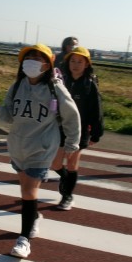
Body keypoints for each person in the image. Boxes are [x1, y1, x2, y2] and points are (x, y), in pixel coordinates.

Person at [0, 44, 80, 259]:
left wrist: (72, 144)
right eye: (28, 58)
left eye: (38, 58)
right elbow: (8, 116)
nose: (32, 62)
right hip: (18, 146)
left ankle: (24, 239)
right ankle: (34, 216)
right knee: (26, 191)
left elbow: (72, 116)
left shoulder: (55, 89)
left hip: (42, 148)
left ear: (47, 64)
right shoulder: (18, 85)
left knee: (28, 192)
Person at [50, 46, 104, 210]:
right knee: (55, 164)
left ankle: (67, 196)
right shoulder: (62, 80)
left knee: (72, 164)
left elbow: (97, 110)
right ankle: (66, 179)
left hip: (80, 130)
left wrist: (96, 134)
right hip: (61, 127)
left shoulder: (89, 84)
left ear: (87, 64)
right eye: (73, 61)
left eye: (80, 61)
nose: (75, 64)